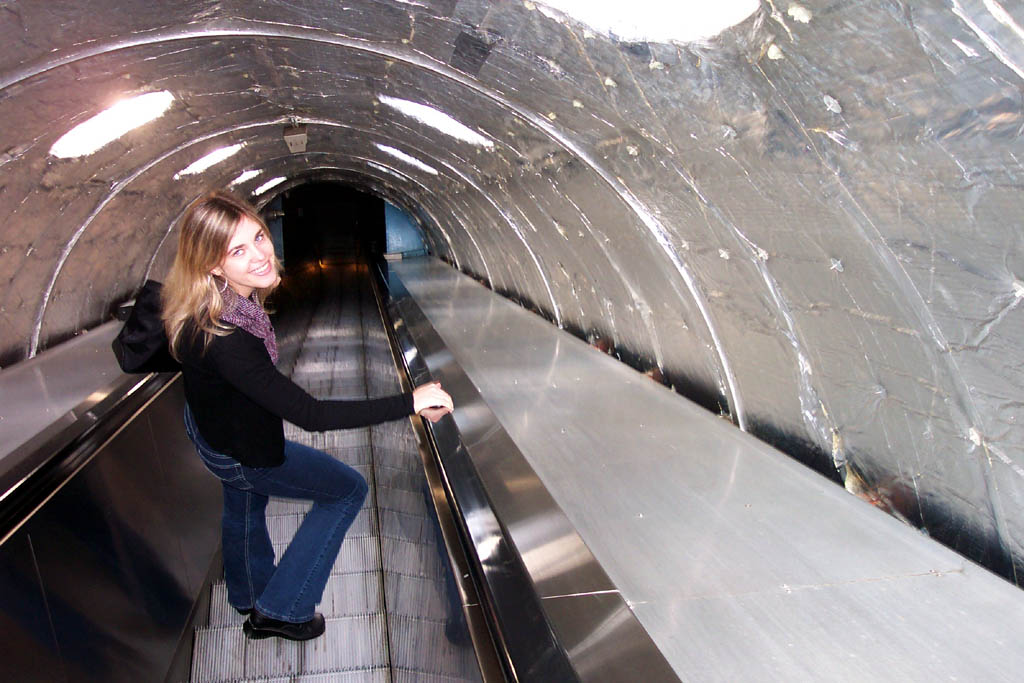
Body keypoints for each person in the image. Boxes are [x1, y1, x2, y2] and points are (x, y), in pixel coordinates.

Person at [162, 191, 453, 641]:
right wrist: (409, 401)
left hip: (213, 433)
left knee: (243, 503)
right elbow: (310, 414)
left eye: (258, 237)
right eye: (237, 251)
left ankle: (246, 594)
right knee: (346, 490)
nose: (260, 255)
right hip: (242, 451)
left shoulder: (210, 304)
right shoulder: (228, 336)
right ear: (212, 266)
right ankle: (282, 609)